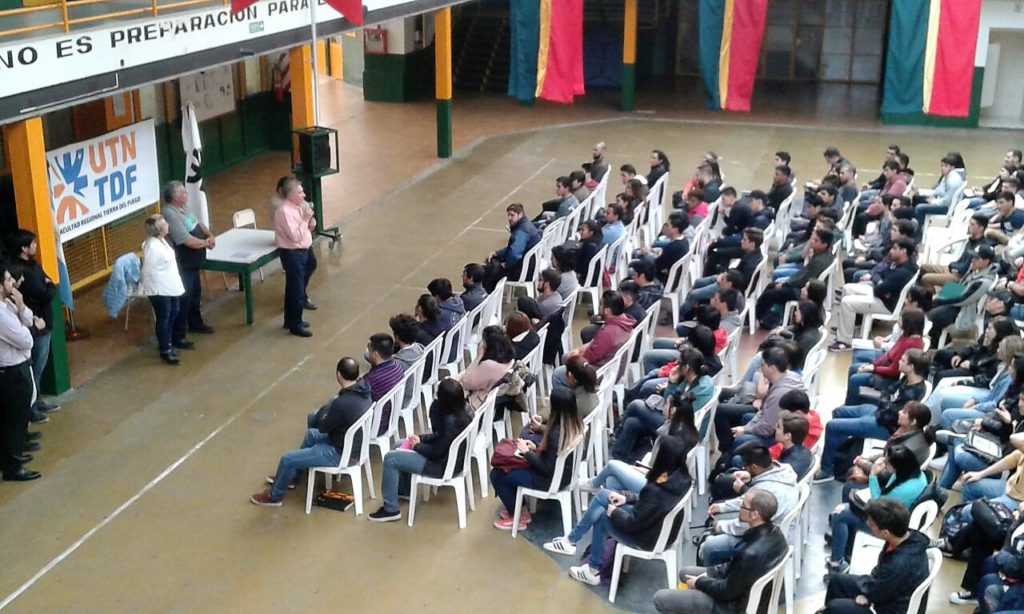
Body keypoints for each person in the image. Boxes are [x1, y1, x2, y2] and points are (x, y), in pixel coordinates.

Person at [543, 437, 692, 587]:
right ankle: (571, 540)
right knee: (604, 495)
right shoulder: (682, 479)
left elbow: (632, 524)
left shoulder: (656, 490)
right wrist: (626, 497)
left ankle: (591, 568)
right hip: (662, 532)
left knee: (602, 517)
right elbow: (649, 505)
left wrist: (614, 512)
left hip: (647, 538)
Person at [250, 357, 372, 505]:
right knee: (311, 435)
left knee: (287, 459)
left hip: (340, 453)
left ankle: (274, 496)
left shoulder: (342, 403)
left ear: (338, 375)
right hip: (353, 445)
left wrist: (327, 409)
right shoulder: (364, 391)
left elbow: (322, 426)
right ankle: (292, 478)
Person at [653, 489, 788, 613]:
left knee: (660, 598)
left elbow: (726, 592)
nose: (739, 509)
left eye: (743, 506)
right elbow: (733, 571)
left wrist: (699, 583)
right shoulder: (776, 534)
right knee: (685, 572)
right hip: (744, 590)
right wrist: (709, 573)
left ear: (754, 515)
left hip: (733, 606)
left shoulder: (750, 553)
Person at [369, 378, 474, 522]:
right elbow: (441, 438)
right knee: (400, 444)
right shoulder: (465, 409)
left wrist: (417, 446)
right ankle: (404, 490)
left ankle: (390, 509)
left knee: (390, 458)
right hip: (452, 458)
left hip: (441, 465)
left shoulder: (449, 421)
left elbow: (437, 451)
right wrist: (420, 439)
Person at [814, 356, 931, 484]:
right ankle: (839, 455)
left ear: (911, 367)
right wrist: (885, 404)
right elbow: (886, 393)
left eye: (903, 360)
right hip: (880, 414)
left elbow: (893, 415)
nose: (898, 361)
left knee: (832, 426)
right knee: (838, 412)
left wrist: (885, 404)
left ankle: (827, 470)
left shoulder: (914, 393)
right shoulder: (906, 379)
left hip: (886, 426)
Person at [489, 387, 584, 530]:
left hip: (549, 480)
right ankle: (521, 510)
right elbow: (554, 454)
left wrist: (527, 452)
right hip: (565, 474)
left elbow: (546, 468)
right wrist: (535, 447)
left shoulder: (555, 434)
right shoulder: (575, 424)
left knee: (497, 474)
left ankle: (517, 517)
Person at [826, 445, 927, 575]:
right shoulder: (915, 475)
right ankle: (845, 549)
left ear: (898, 466)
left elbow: (877, 505)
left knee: (839, 514)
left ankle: (837, 563)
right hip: (895, 514)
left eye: (887, 463)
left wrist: (873, 475)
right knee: (847, 502)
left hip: (889, 526)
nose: (884, 464)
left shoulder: (905, 489)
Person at [820, 498, 930, 614]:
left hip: (892, 609)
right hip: (888, 591)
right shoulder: (904, 537)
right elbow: (881, 581)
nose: (868, 524)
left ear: (885, 532)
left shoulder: (899, 563)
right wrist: (868, 592)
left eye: (872, 524)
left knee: (835, 608)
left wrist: (867, 596)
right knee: (837, 581)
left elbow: (879, 591)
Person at [611, 348, 714, 462]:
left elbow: (674, 410)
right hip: (675, 421)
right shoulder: (692, 380)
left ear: (687, 368)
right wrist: (671, 383)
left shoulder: (700, 389)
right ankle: (619, 458)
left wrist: (670, 405)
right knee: (632, 423)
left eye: (679, 363)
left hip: (681, 431)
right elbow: (669, 399)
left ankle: (617, 435)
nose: (676, 366)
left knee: (636, 405)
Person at [702, 446, 798, 566]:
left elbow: (748, 525)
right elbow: (749, 500)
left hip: (765, 541)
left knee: (709, 545)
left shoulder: (768, 491)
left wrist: (720, 526)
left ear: (755, 467)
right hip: (775, 531)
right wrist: (723, 507)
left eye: (746, 467)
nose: (744, 469)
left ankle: (711, 576)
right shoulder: (785, 470)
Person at [829, 238, 917, 352]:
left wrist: (881, 284)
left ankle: (845, 342)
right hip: (882, 296)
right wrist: (881, 282)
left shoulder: (903, 272)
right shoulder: (897, 263)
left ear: (903, 251)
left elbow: (878, 290)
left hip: (887, 305)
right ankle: (847, 327)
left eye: (895, 248)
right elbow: (879, 273)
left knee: (847, 303)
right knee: (847, 288)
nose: (890, 250)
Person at [5, 230, 59, 418]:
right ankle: (31, 409)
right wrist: (50, 286)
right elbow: (45, 293)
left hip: (44, 323)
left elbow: (49, 281)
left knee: (39, 369)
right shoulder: (21, 271)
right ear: (23, 248)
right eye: (33, 244)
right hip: (36, 327)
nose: (36, 246)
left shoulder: (33, 265)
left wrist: (49, 284)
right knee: (34, 369)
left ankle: (37, 402)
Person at [715, 347, 805, 454]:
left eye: (762, 365)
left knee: (740, 439)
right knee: (742, 418)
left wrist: (745, 430)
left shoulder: (779, 394)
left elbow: (767, 428)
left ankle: (729, 455)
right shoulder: (788, 376)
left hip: (778, 435)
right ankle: (729, 451)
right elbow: (764, 411)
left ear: (772, 368)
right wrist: (747, 427)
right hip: (775, 424)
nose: (760, 368)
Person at [0, 264, 43, 481]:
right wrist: (33, 329)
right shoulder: (0, 314)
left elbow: (28, 319)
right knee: (13, 422)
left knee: (17, 418)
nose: (12, 283)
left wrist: (21, 306)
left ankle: (13, 456)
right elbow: (26, 338)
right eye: (8, 280)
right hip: (11, 372)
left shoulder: (8, 304)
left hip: (20, 365)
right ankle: (13, 466)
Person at [160, 181, 216, 347]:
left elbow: (198, 223)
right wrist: (206, 243)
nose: (187, 194)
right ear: (175, 197)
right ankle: (178, 335)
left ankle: (195, 322)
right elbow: (186, 241)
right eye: (183, 193)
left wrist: (210, 235)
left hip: (194, 262)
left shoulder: (184, 208)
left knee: (195, 294)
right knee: (183, 299)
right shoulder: (170, 214)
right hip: (183, 263)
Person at [551, 293, 634, 390]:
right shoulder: (624, 321)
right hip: (613, 369)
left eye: (600, 305)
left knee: (558, 374)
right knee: (567, 357)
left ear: (607, 310)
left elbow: (588, 358)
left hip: (601, 373)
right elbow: (594, 343)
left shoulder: (608, 332)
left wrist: (573, 358)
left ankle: (571, 401)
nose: (598, 308)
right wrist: (579, 350)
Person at [844, 310, 925, 405]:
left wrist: (874, 369)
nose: (898, 320)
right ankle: (850, 401)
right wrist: (873, 365)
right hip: (886, 368)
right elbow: (888, 354)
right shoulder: (905, 336)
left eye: (901, 318)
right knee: (854, 368)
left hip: (890, 379)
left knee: (855, 379)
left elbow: (893, 371)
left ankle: (850, 405)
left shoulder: (910, 343)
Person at [926, 244, 1000, 346]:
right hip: (957, 304)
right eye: (973, 256)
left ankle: (935, 345)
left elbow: (963, 299)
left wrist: (940, 300)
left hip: (964, 311)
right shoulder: (974, 270)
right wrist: (941, 295)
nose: (972, 260)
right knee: (926, 302)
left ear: (986, 261)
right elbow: (960, 285)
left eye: (976, 258)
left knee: (933, 314)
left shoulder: (984, 282)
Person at [138, 215, 186, 365]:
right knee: (164, 317)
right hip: (159, 289)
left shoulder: (162, 240)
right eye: (164, 223)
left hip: (170, 285)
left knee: (174, 311)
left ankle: (168, 343)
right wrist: (147, 288)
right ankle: (165, 349)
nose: (167, 225)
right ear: (159, 229)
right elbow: (147, 270)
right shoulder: (152, 246)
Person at [273, 177, 318, 337]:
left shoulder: (299, 206)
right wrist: (305, 219)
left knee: (293, 288)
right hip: (292, 254)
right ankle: (295, 324)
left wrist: (309, 218)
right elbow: (294, 236)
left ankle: (290, 319)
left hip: (303, 251)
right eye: (300, 192)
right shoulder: (284, 211)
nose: (304, 195)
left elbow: (310, 227)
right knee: (297, 290)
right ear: (290, 195)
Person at [919, 213, 994, 291]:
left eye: (972, 224)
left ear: (981, 228)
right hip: (954, 269)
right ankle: (928, 292)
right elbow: (960, 260)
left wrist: (953, 267)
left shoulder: (980, 247)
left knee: (926, 278)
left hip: (960, 278)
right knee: (924, 267)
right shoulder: (971, 240)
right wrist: (952, 266)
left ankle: (929, 299)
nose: (969, 226)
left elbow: (966, 268)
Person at [450, 325, 514, 410]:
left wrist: (478, 356)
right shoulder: (509, 359)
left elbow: (465, 382)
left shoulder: (489, 365)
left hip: (475, 404)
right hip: (489, 400)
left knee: (445, 388)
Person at [484, 203, 541, 292]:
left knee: (489, 271)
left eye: (512, 215)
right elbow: (513, 248)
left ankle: (488, 296)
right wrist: (497, 253)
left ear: (520, 214)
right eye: (508, 215)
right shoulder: (527, 225)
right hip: (529, 266)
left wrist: (506, 265)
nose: (509, 218)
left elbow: (514, 254)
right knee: (494, 261)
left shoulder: (521, 231)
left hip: (522, 271)